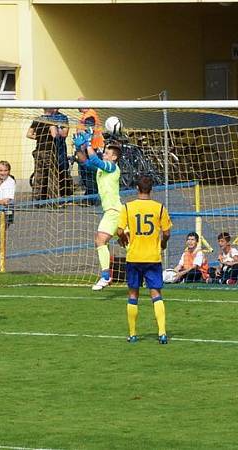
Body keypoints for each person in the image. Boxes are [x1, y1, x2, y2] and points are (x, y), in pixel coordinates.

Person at [117, 175, 172, 344]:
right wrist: (162, 243)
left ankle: (133, 334)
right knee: (156, 293)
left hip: (134, 256)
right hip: (152, 257)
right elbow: (167, 232)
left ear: (137, 189)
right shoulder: (159, 208)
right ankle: (162, 333)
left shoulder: (128, 207)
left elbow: (119, 231)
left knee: (133, 294)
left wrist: (124, 240)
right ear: (151, 190)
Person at [73, 133, 121, 291]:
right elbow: (86, 162)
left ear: (114, 157)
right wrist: (78, 148)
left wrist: (88, 143)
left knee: (100, 240)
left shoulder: (112, 167)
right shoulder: (102, 168)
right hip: (113, 211)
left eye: (107, 153)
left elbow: (94, 159)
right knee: (128, 243)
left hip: (113, 211)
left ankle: (106, 276)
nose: (104, 154)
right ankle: (151, 269)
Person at [27, 109, 69, 201]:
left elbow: (29, 134)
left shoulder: (37, 119)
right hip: (49, 151)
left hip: (38, 150)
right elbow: (54, 135)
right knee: (52, 176)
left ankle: (37, 199)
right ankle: (54, 200)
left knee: (39, 176)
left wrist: (39, 137)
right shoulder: (50, 121)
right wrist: (57, 131)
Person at [76, 99, 105, 201]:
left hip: (93, 149)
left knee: (89, 173)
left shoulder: (89, 115)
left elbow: (89, 131)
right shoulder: (86, 115)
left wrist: (84, 145)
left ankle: (91, 198)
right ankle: (89, 196)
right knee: (88, 172)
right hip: (91, 148)